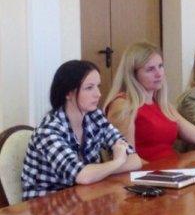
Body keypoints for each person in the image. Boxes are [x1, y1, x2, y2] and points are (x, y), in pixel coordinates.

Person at [21, 60, 142, 200]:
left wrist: (99, 171)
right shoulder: (48, 131)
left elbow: (135, 160)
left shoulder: (94, 117)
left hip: (84, 196)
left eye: (98, 86)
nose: (98, 94)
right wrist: (118, 161)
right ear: (68, 93)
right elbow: (82, 176)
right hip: (47, 204)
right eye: (89, 88)